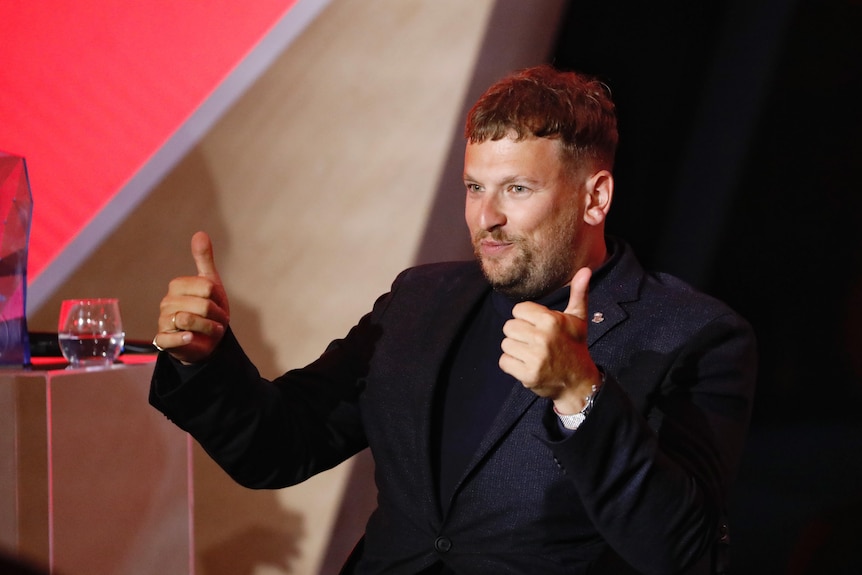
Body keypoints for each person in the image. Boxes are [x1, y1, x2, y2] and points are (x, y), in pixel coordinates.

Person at [149, 65, 756, 574]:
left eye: (516, 189)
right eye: (473, 187)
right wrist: (203, 360)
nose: (484, 217)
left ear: (594, 197)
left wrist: (581, 396)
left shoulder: (692, 335)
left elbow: (684, 554)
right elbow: (280, 448)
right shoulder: (420, 300)